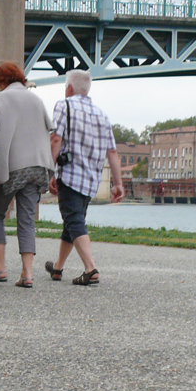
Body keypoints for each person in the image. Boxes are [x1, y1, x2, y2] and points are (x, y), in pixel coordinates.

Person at [0, 62, 55, 287]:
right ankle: (27, 273)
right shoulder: (36, 100)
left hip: (11, 167)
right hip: (37, 166)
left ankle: (0, 269)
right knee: (27, 219)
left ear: (1, 81)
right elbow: (47, 132)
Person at [47, 69, 125, 286]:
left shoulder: (64, 105)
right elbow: (112, 152)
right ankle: (57, 267)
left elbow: (56, 140)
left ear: (70, 88)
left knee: (73, 220)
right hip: (91, 179)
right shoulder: (102, 114)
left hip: (70, 175)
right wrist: (118, 184)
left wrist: (49, 171)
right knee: (72, 221)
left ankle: (91, 269)